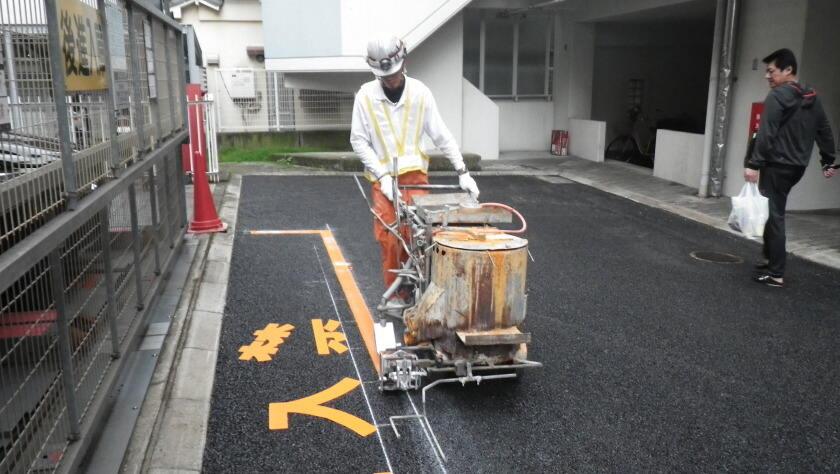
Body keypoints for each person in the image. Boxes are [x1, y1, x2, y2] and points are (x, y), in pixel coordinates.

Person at [350, 36, 480, 300]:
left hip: (415, 179)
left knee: (420, 237)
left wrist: (463, 172)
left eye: (394, 74)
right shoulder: (365, 97)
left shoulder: (420, 93)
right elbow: (358, 141)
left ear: (403, 62)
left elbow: (441, 135)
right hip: (383, 182)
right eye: (385, 76)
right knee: (390, 240)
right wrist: (383, 176)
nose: (390, 80)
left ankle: (420, 293)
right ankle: (396, 298)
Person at [744, 48, 836, 288]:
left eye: (771, 71)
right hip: (797, 167)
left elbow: (766, 132)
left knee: (775, 215)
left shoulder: (777, 96)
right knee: (772, 211)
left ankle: (776, 273)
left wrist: (753, 164)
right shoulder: (811, 97)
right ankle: (768, 259)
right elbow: (824, 130)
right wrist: (828, 160)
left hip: (776, 165)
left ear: (788, 70)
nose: (767, 76)